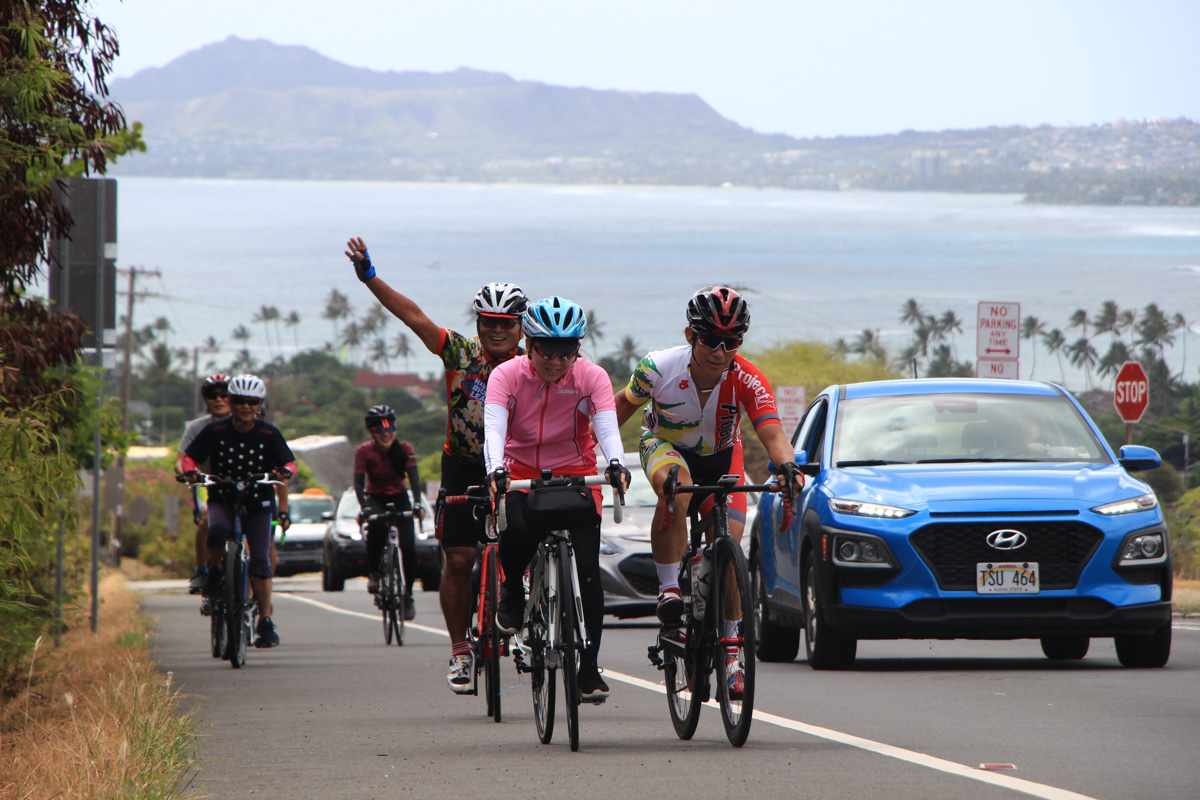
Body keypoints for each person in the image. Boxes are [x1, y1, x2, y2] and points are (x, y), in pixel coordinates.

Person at [344, 236, 527, 692]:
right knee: (460, 558)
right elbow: (413, 317)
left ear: (522, 328)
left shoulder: (535, 364)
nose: (497, 330)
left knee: (523, 551)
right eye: (489, 322)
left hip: (515, 465)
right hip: (463, 465)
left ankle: (523, 630)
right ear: (479, 324)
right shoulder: (461, 353)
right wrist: (369, 277)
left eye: (506, 323)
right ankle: (461, 650)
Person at [613, 286, 803, 698]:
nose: (719, 350)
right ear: (689, 335)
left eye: (731, 341)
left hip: (722, 458)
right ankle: (668, 590)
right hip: (665, 446)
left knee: (729, 547)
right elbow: (616, 412)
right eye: (709, 340)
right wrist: (588, 448)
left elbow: (772, 432)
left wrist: (788, 466)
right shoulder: (658, 368)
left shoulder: (748, 378)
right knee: (677, 491)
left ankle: (732, 652)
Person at [485, 296, 630, 703]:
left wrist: (616, 463)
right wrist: (495, 469)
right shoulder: (507, 376)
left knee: (588, 570)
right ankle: (513, 586)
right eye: (546, 351)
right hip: (520, 473)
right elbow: (494, 428)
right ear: (528, 345)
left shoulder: (591, 377)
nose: (554, 361)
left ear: (577, 351)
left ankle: (588, 669)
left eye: (565, 353)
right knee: (514, 531)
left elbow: (605, 426)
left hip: (576, 473)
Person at [182, 374, 295, 648]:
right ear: (230, 402)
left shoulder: (269, 433)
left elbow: (289, 464)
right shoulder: (214, 431)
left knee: (260, 562)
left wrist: (283, 472)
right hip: (223, 498)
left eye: (252, 402)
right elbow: (189, 458)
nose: (246, 406)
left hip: (258, 504)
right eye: (240, 401)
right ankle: (217, 571)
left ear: (260, 404)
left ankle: (265, 621)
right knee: (215, 529)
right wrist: (191, 473)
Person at [354, 404, 424, 619]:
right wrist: (365, 508)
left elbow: (413, 478)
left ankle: (407, 595)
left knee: (409, 548)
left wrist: (418, 503)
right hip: (375, 497)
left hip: (400, 497)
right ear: (372, 432)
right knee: (375, 526)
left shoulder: (404, 449)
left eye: (390, 430)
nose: (387, 435)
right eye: (381, 431)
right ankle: (374, 573)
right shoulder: (364, 451)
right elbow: (358, 483)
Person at [175, 374, 231, 594]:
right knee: (207, 517)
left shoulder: (247, 424)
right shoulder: (198, 427)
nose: (218, 399)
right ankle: (202, 570)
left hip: (238, 483)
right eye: (212, 395)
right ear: (205, 400)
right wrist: (191, 473)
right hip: (207, 483)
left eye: (224, 394)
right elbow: (180, 461)